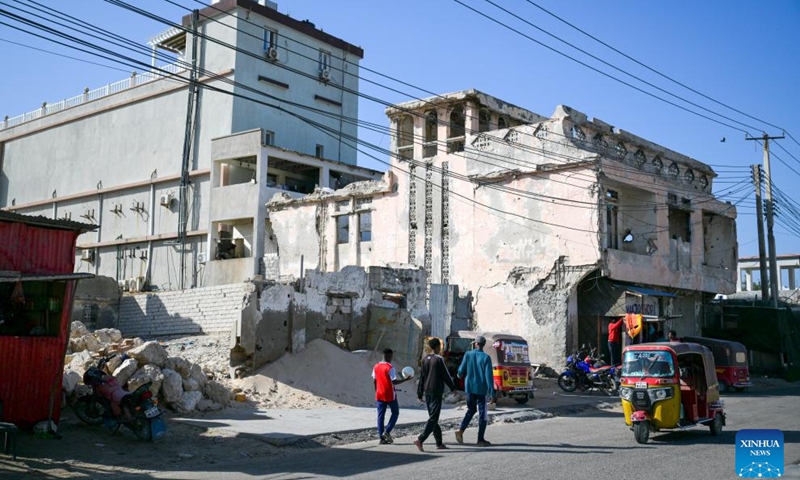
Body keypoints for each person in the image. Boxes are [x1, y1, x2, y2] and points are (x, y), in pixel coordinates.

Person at [413, 338, 456, 452]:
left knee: (434, 417)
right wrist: (453, 388)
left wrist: (419, 393)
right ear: (437, 347)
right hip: (436, 391)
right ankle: (420, 439)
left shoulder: (425, 359)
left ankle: (439, 443)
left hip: (427, 391)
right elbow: (446, 375)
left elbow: (422, 377)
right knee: (434, 418)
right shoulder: (439, 359)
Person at [454, 335, 494, 447]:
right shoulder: (486, 358)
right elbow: (488, 377)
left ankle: (461, 431)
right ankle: (480, 439)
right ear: (483, 345)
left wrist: (459, 375)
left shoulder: (468, 354)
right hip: (481, 390)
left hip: (469, 388)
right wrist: (492, 392)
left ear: (475, 344)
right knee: (483, 414)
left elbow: (460, 371)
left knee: (471, 410)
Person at [372, 348, 411, 445]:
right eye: (391, 356)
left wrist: (376, 391)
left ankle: (381, 438)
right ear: (389, 356)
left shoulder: (376, 366)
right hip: (389, 394)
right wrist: (406, 380)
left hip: (379, 393)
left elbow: (374, 380)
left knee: (380, 416)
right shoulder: (390, 367)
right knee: (395, 412)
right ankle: (387, 431)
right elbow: (394, 381)